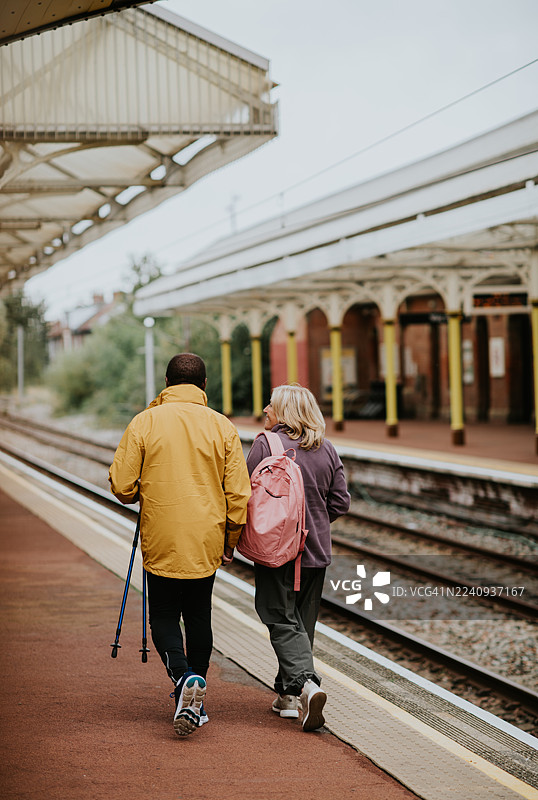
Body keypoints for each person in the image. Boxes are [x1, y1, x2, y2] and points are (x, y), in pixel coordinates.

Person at [109, 353, 251, 736]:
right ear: (204, 385)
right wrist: (230, 540)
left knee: (164, 617)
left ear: (167, 382)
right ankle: (195, 693)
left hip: (163, 535)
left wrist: (143, 488)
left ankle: (183, 678)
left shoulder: (145, 422)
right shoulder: (222, 426)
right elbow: (239, 493)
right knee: (199, 616)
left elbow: (122, 486)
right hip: (206, 537)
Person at [245, 383, 350, 732]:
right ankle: (288, 696)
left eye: (271, 405)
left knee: (278, 617)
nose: (265, 410)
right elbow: (340, 502)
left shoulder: (266, 444)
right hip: (316, 552)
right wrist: (314, 524)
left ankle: (306, 684)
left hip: (277, 552)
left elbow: (245, 493)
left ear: (285, 411)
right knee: (301, 626)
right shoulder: (327, 449)